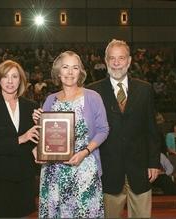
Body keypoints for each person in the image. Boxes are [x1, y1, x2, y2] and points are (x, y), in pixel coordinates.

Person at [87, 39, 160, 218]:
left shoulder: (145, 89)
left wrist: (154, 162)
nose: (117, 63)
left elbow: (152, 129)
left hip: (140, 169)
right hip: (107, 171)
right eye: (112, 58)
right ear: (105, 61)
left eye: (121, 58)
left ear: (129, 60)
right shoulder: (92, 92)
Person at [32, 51, 109, 218]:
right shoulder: (50, 99)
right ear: (58, 73)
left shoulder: (93, 97)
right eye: (65, 67)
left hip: (84, 168)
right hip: (53, 173)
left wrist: (85, 152)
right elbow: (45, 134)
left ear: (80, 72)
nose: (70, 72)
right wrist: (37, 121)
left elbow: (103, 130)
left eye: (75, 67)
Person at [0, 60, 40, 217]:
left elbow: (35, 140)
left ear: (21, 80)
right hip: (0, 179)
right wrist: (21, 138)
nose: (10, 81)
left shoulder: (31, 107)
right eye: (6, 77)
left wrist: (41, 124)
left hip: (24, 177)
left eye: (15, 76)